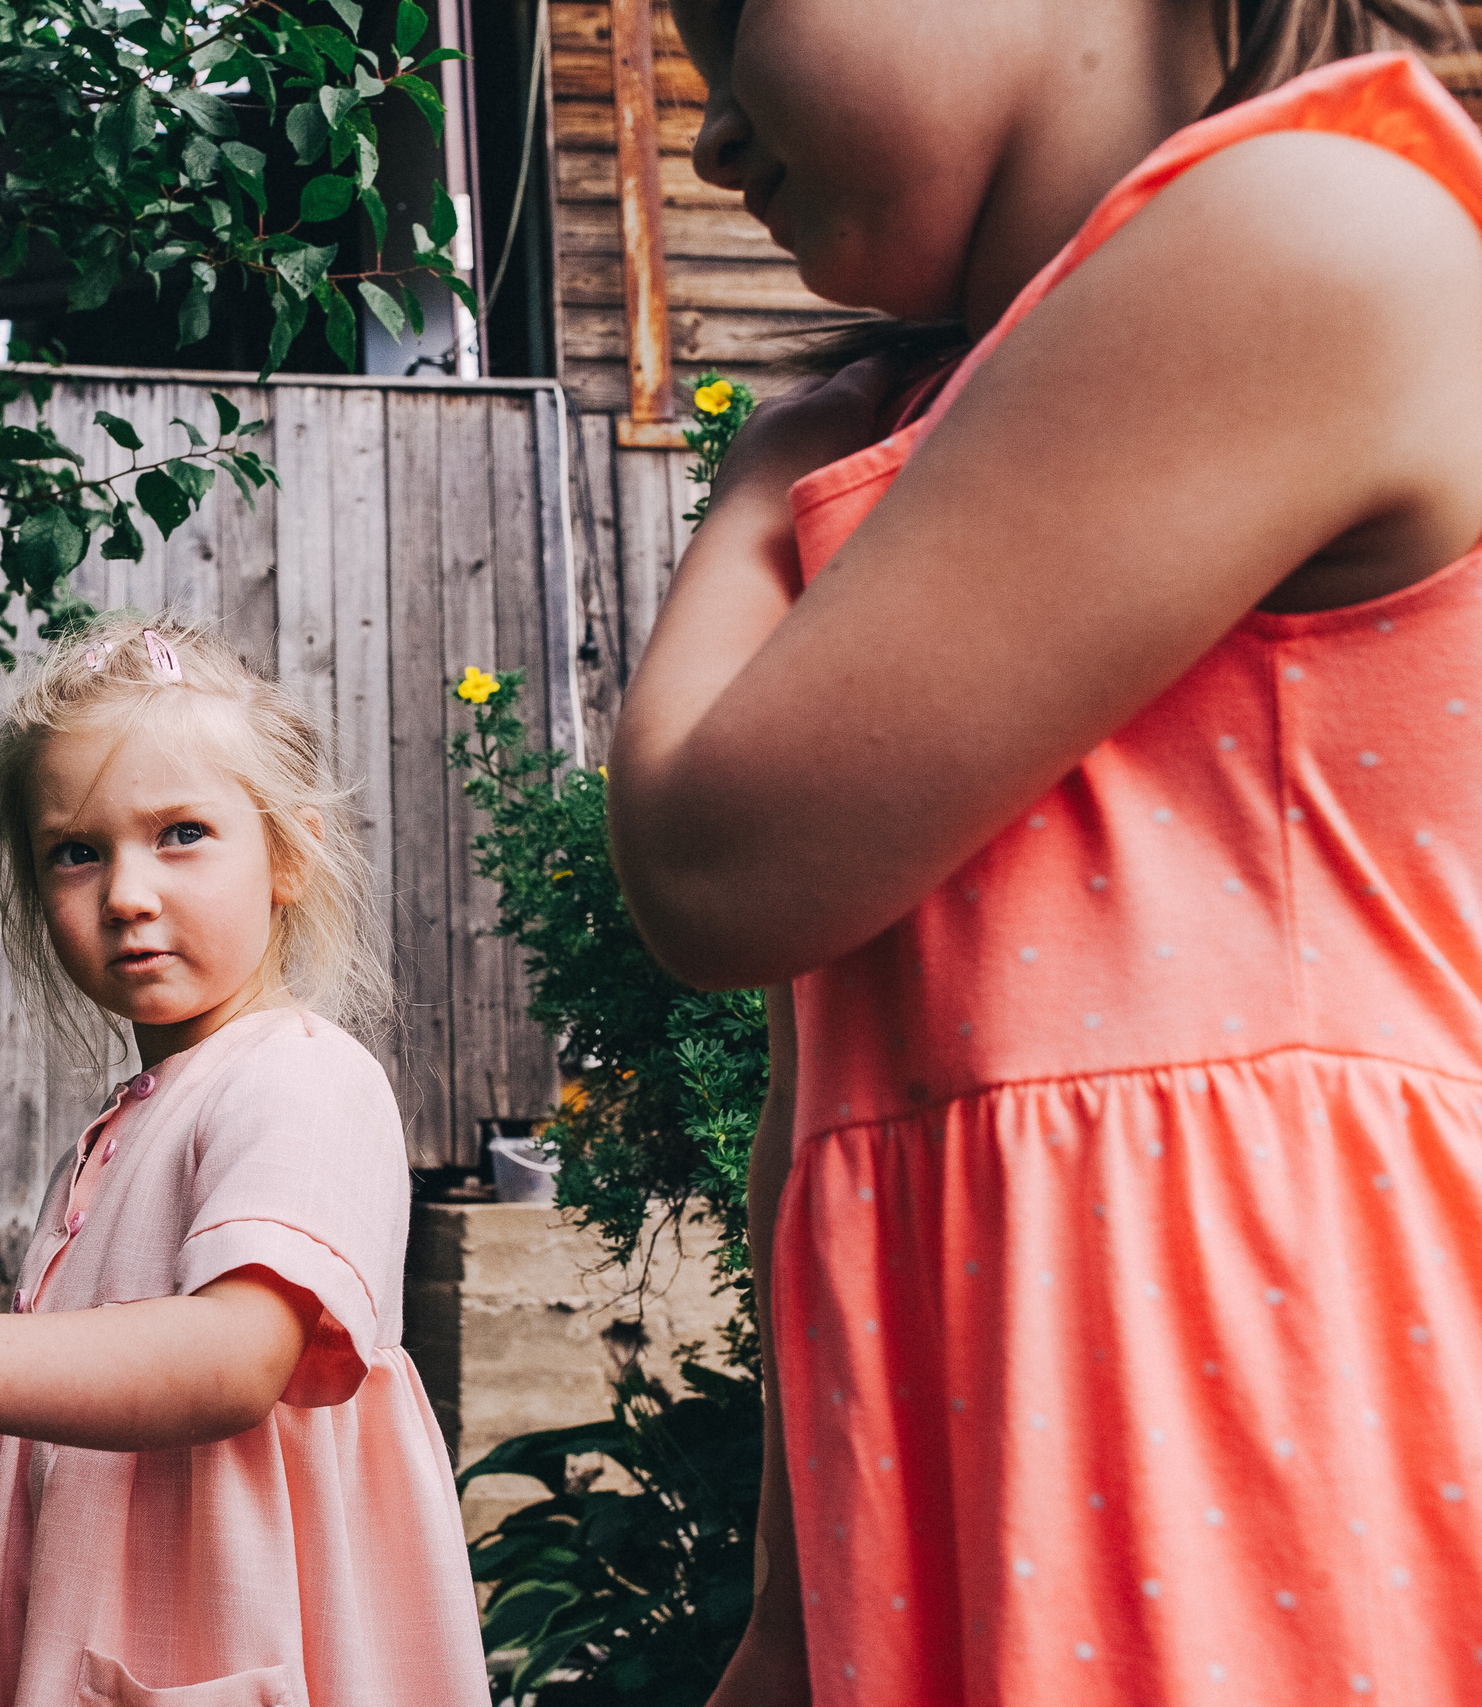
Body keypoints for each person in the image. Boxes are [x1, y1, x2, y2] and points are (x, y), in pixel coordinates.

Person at [608, 1, 1482, 1701]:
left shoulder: (1304, 220)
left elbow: (713, 862)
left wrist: (768, 474)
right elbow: (829, 1089)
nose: (709, 136)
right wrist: (794, 1609)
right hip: (1013, 1443)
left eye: (731, 15)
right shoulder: (942, 424)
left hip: (1262, 1411)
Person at [0, 611, 491, 1707]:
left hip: (228, 1641)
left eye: (182, 833)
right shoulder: (126, 1121)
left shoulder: (300, 1073)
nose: (126, 892)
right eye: (76, 851)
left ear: (291, 854)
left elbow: (235, 1357)